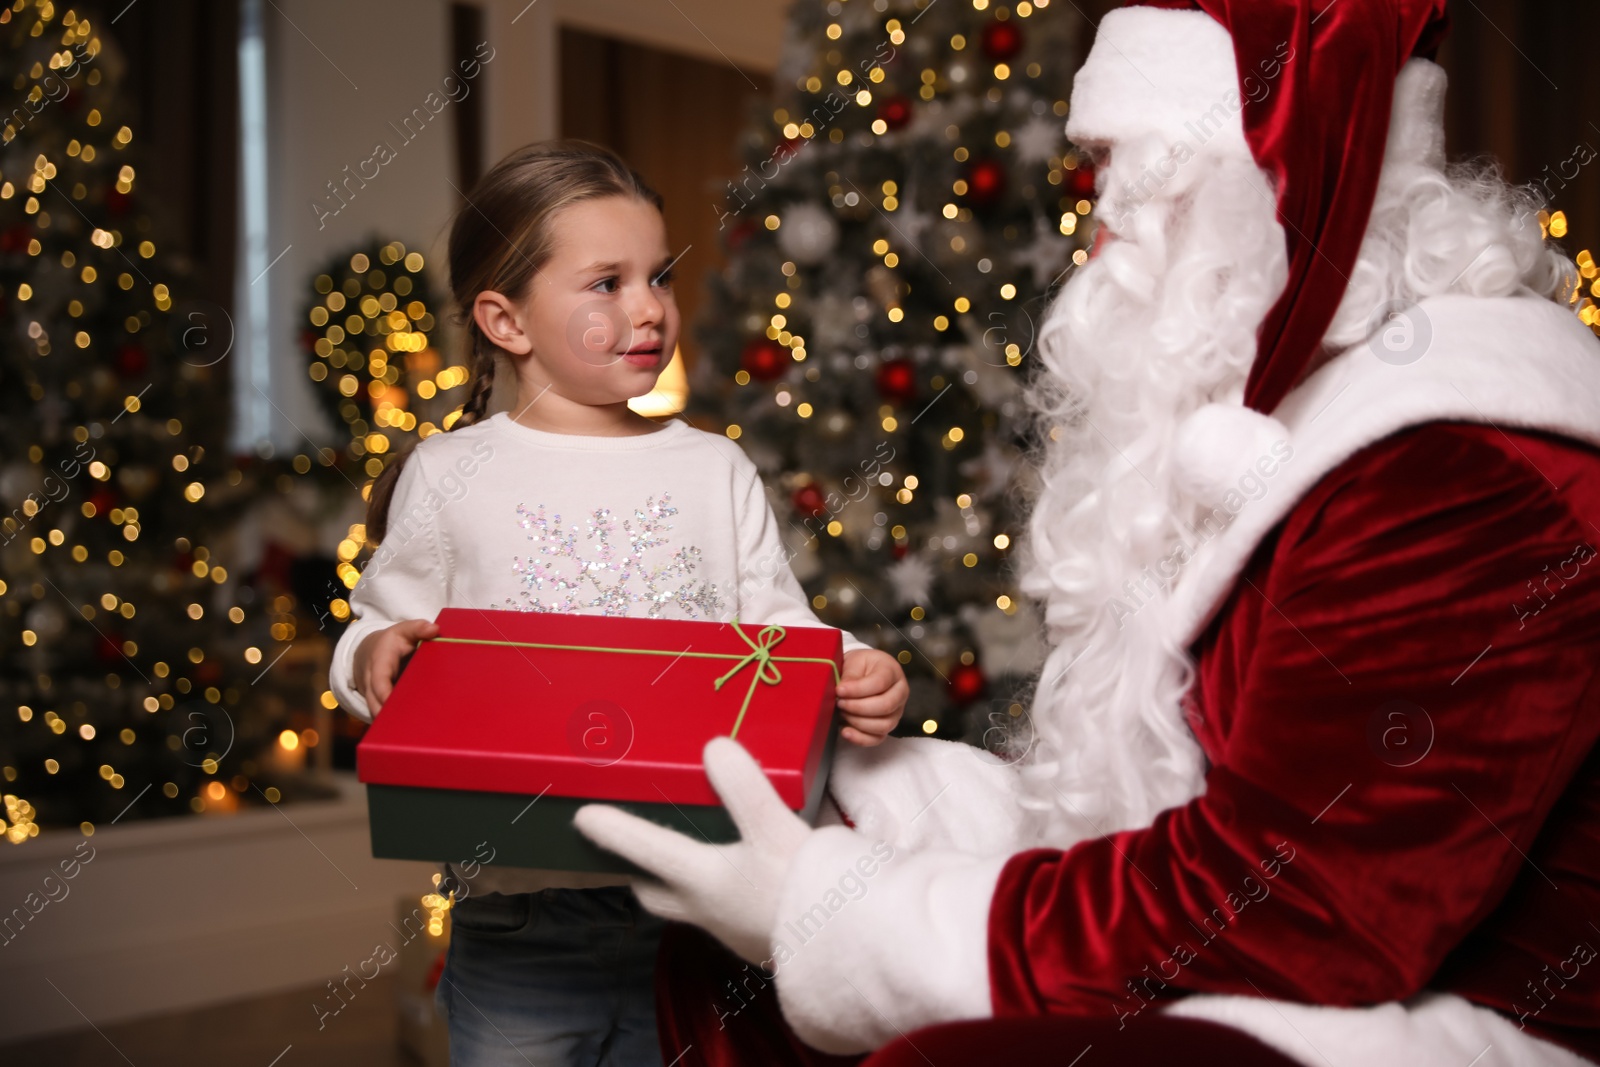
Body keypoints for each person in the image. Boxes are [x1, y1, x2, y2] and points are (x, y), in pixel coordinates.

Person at [574, 4, 1600, 1066]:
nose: (1096, 223)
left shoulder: (1459, 463)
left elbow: (1302, 909)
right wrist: (857, 807)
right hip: (1289, 953)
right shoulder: (1268, 409)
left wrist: (841, 914)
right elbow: (1154, 810)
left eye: (1125, 171)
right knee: (743, 939)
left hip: (1467, 1019)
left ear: (1260, 186)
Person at [327, 140, 909, 1067]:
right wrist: (372, 656)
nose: (648, 308)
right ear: (504, 321)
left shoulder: (711, 467)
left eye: (659, 277)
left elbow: (779, 633)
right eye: (606, 282)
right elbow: (375, 630)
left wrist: (850, 666)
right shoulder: (448, 473)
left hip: (695, 911)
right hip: (517, 918)